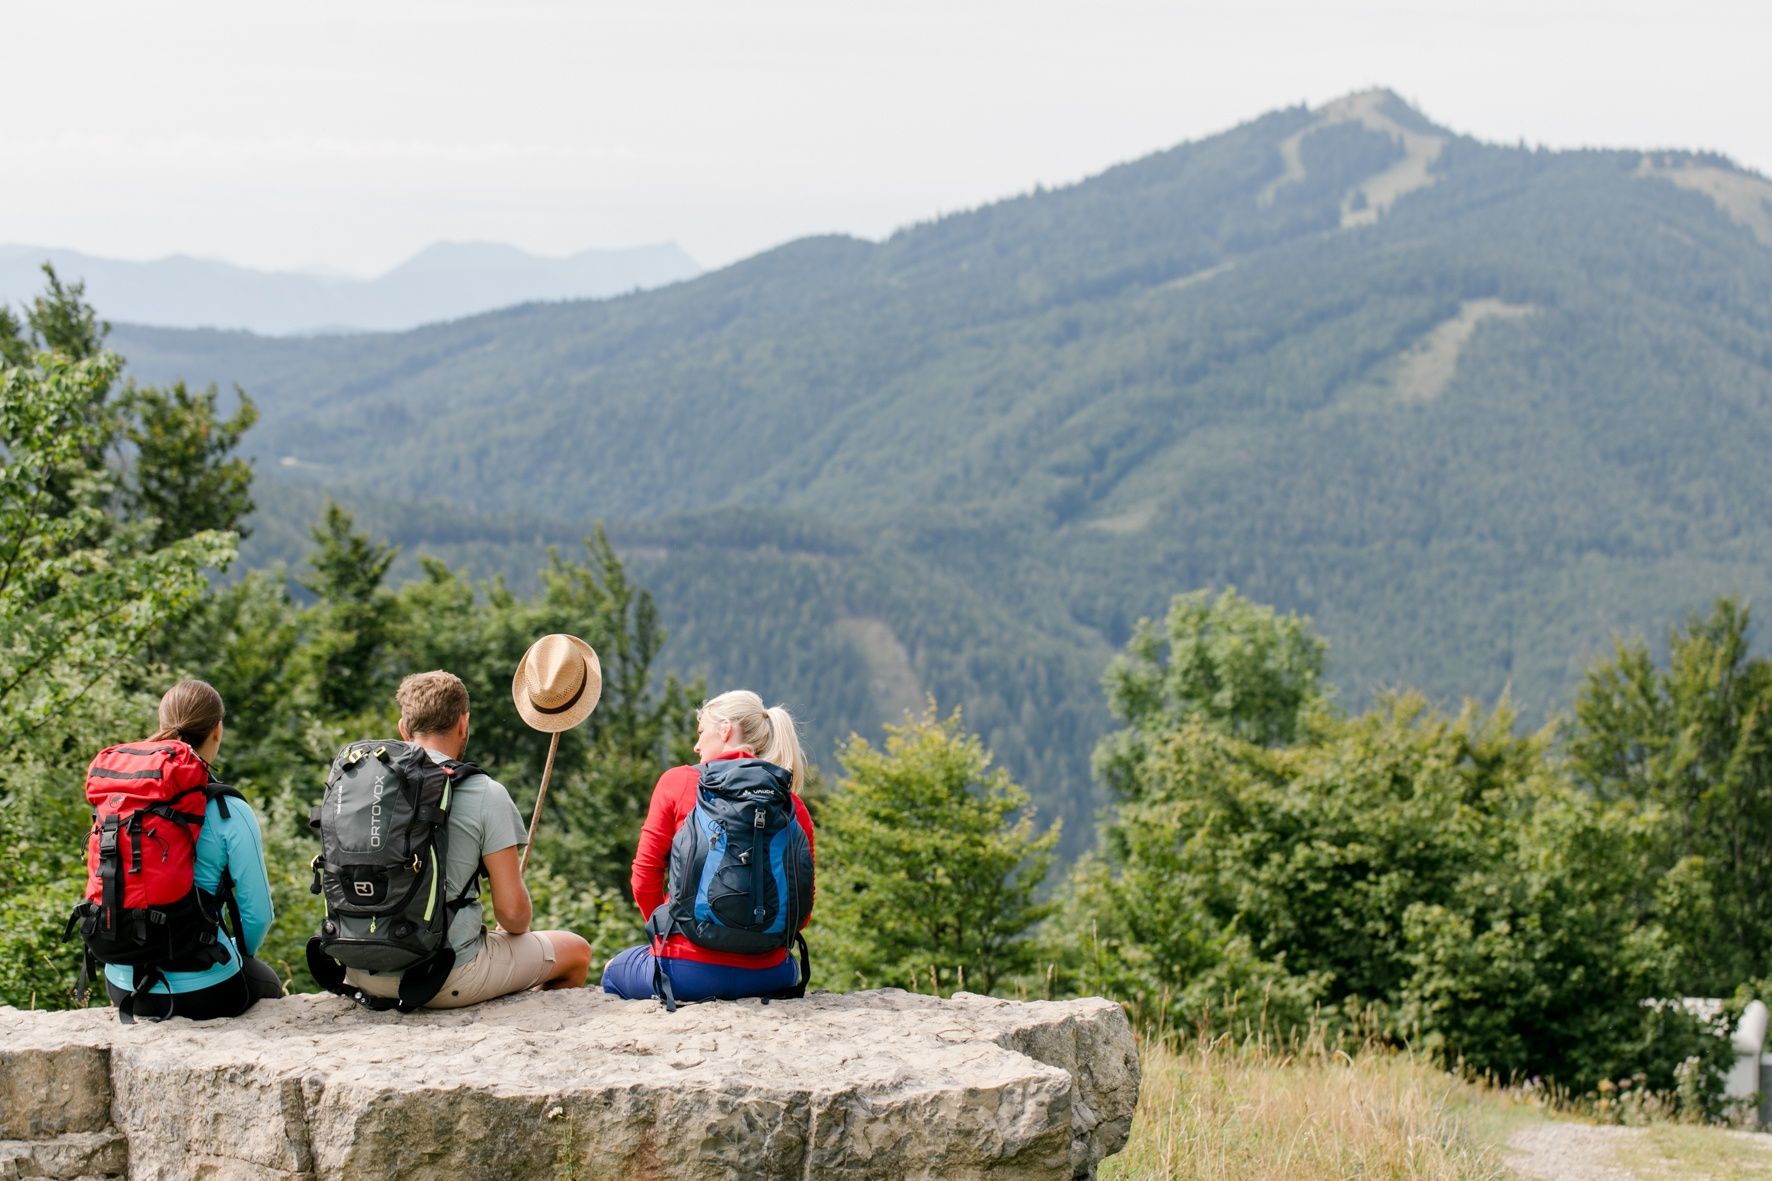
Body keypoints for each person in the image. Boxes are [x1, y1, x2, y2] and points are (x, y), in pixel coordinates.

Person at [342, 670, 591, 1007]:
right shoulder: (484, 791)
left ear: (403, 728)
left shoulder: (363, 783)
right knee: (576, 950)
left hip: (359, 970)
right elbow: (513, 917)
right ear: (463, 724)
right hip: (444, 977)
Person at [602, 690, 815, 1002]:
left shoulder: (678, 782)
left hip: (685, 971)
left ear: (725, 730)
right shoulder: (791, 803)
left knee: (612, 969)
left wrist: (668, 932)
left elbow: (644, 877)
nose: (697, 745)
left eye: (701, 732)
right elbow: (802, 904)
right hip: (771, 974)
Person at [102, 680, 283, 1020]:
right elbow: (258, 914)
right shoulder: (229, 809)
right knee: (268, 982)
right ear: (218, 730)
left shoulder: (121, 799)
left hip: (124, 985)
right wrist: (237, 953)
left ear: (163, 725)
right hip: (205, 990)